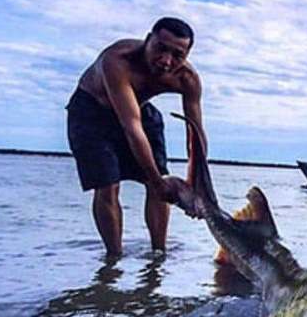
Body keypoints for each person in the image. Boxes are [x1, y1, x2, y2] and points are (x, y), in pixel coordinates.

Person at [67, 17, 205, 258]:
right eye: (160, 48)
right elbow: (132, 127)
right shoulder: (117, 60)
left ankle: (158, 255)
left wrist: (199, 186)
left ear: (187, 54)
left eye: (177, 55)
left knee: (159, 179)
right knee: (108, 186)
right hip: (91, 113)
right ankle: (114, 259)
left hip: (140, 110)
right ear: (148, 40)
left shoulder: (187, 79)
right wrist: (159, 183)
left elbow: (196, 133)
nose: (166, 61)